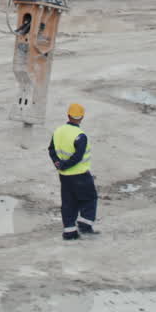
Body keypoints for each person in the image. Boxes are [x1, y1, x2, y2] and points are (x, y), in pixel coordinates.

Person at [48, 103, 97, 241]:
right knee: (89, 198)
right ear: (81, 117)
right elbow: (78, 156)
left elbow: (51, 149)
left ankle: (69, 231)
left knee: (69, 203)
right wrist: (66, 165)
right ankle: (85, 225)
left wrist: (58, 164)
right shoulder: (80, 136)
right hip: (80, 174)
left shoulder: (58, 131)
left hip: (64, 177)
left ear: (68, 115)